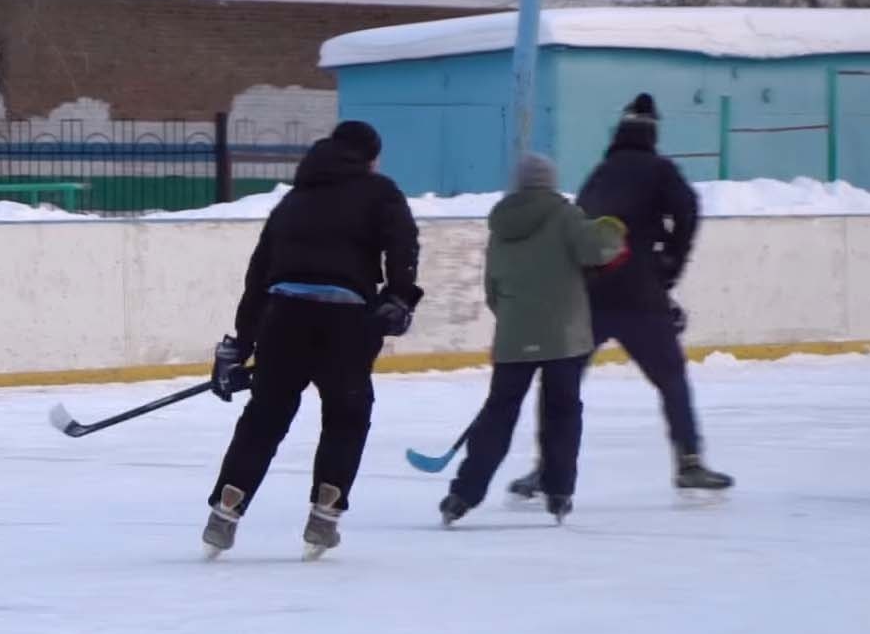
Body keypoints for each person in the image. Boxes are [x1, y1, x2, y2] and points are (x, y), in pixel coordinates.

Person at [202, 120, 422, 560]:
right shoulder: (380, 192)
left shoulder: (293, 201)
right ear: (371, 157)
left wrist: (242, 344)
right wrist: (399, 296)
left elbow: (258, 274)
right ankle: (325, 511)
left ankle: (227, 506)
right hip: (346, 322)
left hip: (283, 319)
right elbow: (403, 245)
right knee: (347, 415)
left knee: (264, 417)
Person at [507, 94, 732, 499]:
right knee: (671, 379)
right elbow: (688, 208)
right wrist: (670, 262)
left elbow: (577, 231)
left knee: (562, 382)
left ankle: (545, 469)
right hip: (642, 296)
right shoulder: (661, 171)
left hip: (590, 296)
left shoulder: (600, 173)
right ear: (653, 132)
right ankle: (689, 462)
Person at [438, 153, 627, 526]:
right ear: (550, 181)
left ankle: (463, 493)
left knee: (498, 416)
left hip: (514, 334)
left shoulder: (501, 223)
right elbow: (597, 251)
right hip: (564, 336)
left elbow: (491, 285)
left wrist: (512, 319)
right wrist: (612, 229)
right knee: (561, 414)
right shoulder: (566, 215)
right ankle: (559, 490)